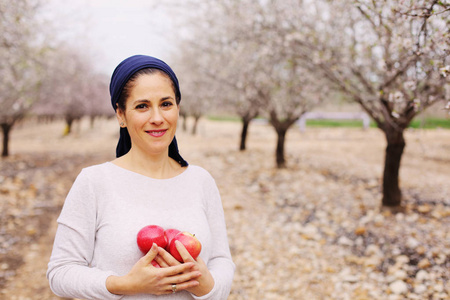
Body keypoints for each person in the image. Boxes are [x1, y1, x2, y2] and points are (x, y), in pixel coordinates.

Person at [47, 55, 235, 299]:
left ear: (178, 108)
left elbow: (222, 261)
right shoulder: (94, 182)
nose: (157, 117)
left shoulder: (201, 181)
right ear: (121, 115)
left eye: (166, 104)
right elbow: (60, 273)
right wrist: (124, 284)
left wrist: (206, 285)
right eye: (142, 106)